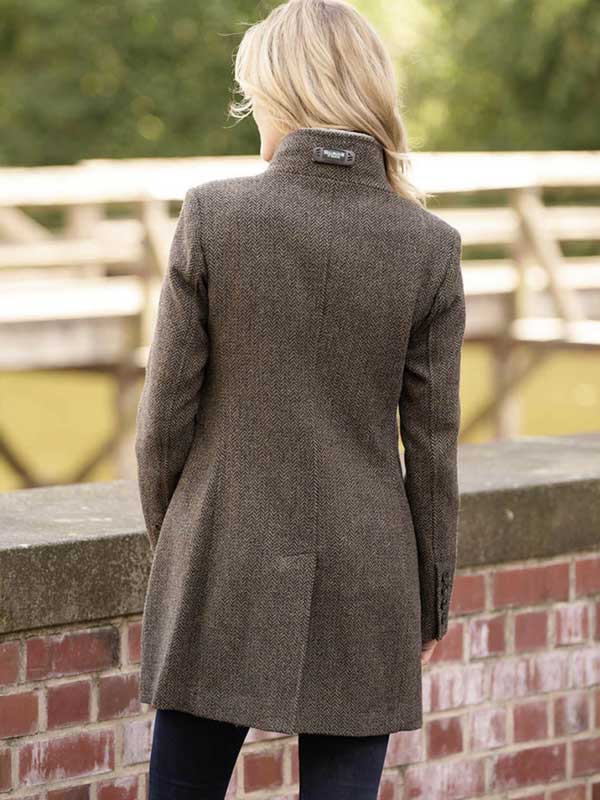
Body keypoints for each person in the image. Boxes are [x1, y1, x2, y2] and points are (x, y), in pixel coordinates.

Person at [134, 0, 466, 798]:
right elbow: (432, 454)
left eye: (254, 94)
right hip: (370, 580)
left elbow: (162, 427)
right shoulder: (430, 247)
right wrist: (430, 601)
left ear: (282, 94)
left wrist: (179, 547)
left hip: (222, 558)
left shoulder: (214, 216)